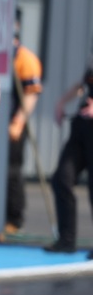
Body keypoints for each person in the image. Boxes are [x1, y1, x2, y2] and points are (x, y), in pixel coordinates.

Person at [43, 61, 93, 257]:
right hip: (81, 130)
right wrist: (62, 102)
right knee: (62, 179)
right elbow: (82, 85)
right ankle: (66, 240)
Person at [4, 9, 43, 235]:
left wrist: (18, 121)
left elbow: (31, 94)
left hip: (14, 123)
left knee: (12, 171)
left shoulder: (25, 59)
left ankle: (14, 218)